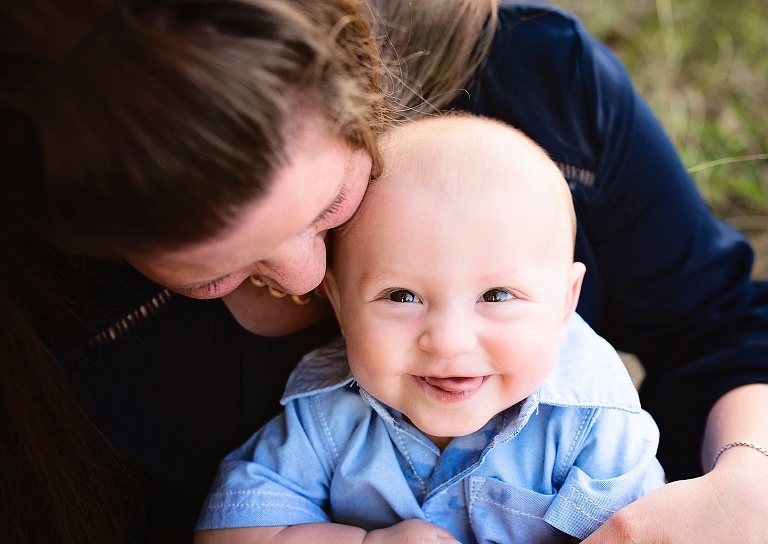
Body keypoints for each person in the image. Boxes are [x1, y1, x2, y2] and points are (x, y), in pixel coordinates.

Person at [1, 0, 767, 543]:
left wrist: (749, 480)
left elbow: (722, 324)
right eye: (211, 274)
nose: (308, 280)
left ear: (362, 76)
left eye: (333, 203)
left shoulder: (539, 81)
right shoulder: (317, 422)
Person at [193, 114, 667, 544]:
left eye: (497, 296)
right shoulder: (326, 419)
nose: (448, 341)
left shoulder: (593, 427)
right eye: (402, 296)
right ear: (337, 302)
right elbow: (233, 531)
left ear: (566, 301)